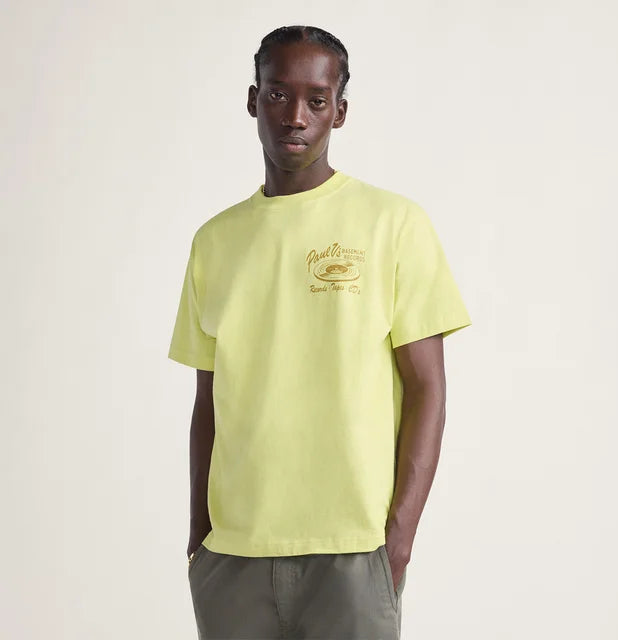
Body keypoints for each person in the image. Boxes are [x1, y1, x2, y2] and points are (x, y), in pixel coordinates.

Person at [168, 24, 472, 640]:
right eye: (278, 94)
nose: (296, 116)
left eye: (316, 99)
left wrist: (398, 539)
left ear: (341, 111)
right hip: (233, 557)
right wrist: (200, 535)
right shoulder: (214, 242)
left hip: (354, 553)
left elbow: (428, 390)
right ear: (253, 100)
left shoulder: (395, 225)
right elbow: (209, 399)